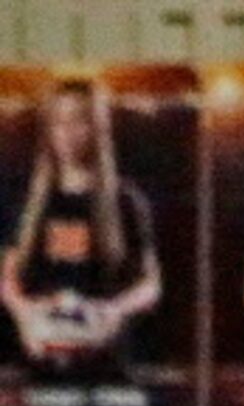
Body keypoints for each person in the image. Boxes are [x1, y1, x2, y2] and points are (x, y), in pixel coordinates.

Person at [2, 78, 161, 381]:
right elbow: (8, 280)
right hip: (41, 356)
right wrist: (25, 314)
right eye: (59, 122)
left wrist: (114, 310)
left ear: (97, 128)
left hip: (105, 359)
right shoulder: (28, 201)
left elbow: (151, 285)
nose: (68, 133)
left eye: (78, 121)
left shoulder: (125, 200)